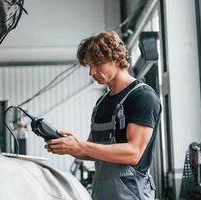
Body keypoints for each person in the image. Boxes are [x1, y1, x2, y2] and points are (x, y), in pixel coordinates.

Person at [46, 31, 162, 200]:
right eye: (89, 65)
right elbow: (92, 150)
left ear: (116, 58)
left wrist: (81, 146)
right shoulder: (101, 104)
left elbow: (133, 153)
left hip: (131, 193)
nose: (91, 72)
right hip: (101, 192)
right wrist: (68, 147)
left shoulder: (142, 97)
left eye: (97, 64)